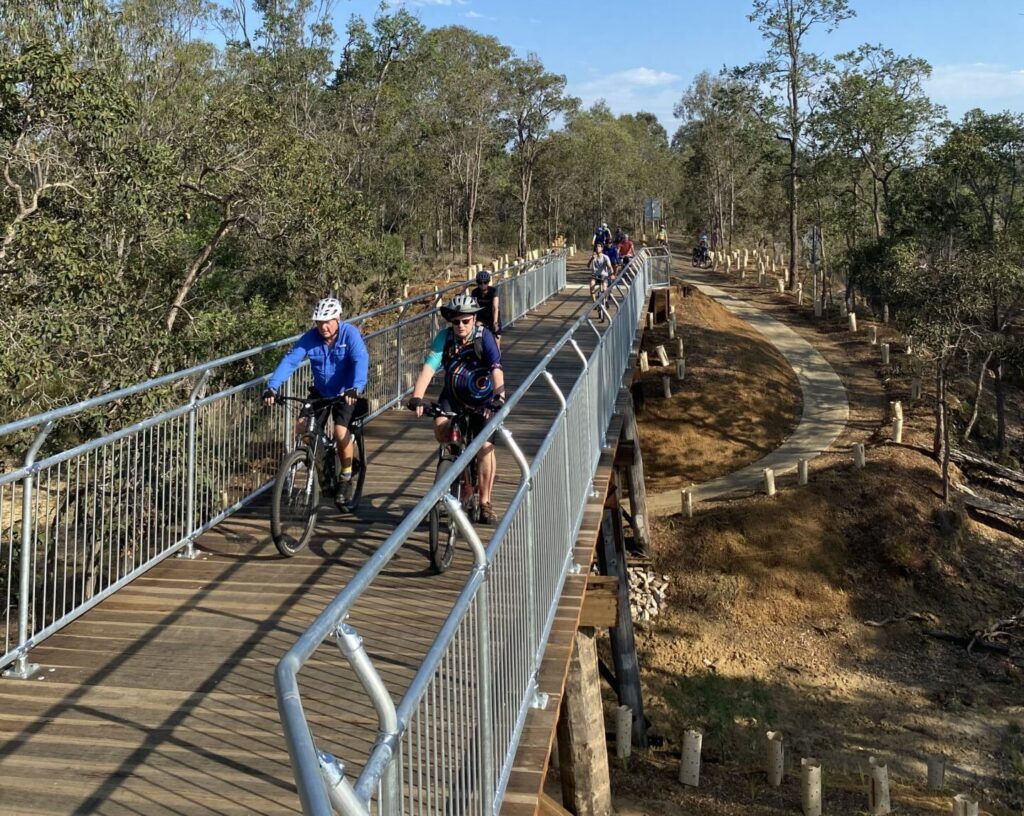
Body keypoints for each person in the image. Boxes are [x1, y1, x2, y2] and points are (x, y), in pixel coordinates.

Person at [263, 296, 369, 507]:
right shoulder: (310, 337)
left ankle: (346, 475)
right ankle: (324, 468)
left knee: (340, 431)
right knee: (304, 428)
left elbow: (361, 360)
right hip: (321, 392)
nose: (323, 327)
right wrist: (272, 387)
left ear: (338, 318)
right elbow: (291, 360)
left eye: (328, 321)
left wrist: (356, 387)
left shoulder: (350, 334)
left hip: (345, 392)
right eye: (319, 322)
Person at [408, 294, 505, 525]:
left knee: (484, 446)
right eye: (456, 322)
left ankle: (485, 503)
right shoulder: (445, 338)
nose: (460, 326)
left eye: (465, 321)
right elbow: (429, 367)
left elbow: (496, 368)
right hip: (452, 396)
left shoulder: (485, 337)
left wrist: (500, 397)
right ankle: (451, 476)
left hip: (482, 399)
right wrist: (417, 397)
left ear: (473, 320)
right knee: (442, 431)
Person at [471, 270, 502, 344]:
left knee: (496, 339)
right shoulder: (475, 292)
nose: (482, 285)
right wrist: (473, 321)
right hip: (481, 317)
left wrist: (495, 322)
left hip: (492, 316)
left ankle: (497, 355)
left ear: (488, 282)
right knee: (476, 334)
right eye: (480, 282)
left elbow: (495, 307)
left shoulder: (493, 291)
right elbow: (473, 307)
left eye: (485, 282)